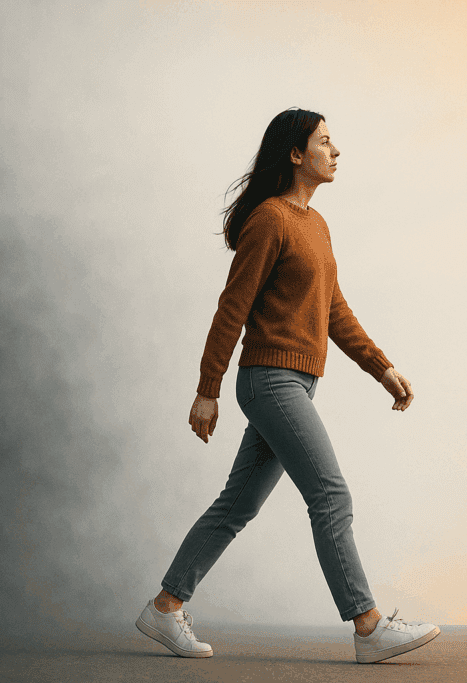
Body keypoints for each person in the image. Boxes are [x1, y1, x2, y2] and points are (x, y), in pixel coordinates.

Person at [135, 108, 440, 664]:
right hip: (270, 381)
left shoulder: (316, 226)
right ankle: (368, 628)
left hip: (297, 382)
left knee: (238, 505)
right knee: (330, 496)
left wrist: (382, 367)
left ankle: (164, 607)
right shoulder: (270, 221)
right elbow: (233, 307)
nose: (337, 150)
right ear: (296, 154)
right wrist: (208, 388)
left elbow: (334, 309)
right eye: (325, 141)